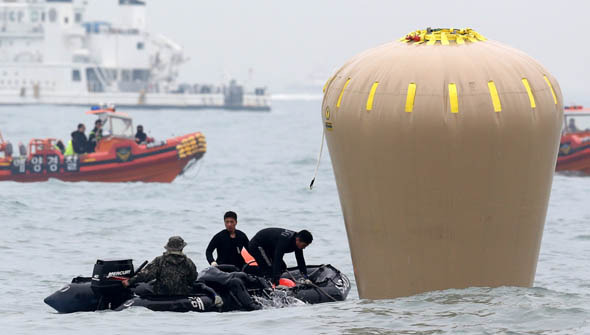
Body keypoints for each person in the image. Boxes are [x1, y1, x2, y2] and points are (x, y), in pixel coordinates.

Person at [122, 236, 197, 296]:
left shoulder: (160, 260)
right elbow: (193, 278)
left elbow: (146, 275)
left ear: (168, 247)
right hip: (181, 294)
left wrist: (129, 282)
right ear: (182, 248)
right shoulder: (188, 262)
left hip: (161, 294)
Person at [248, 228, 313, 286]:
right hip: (257, 246)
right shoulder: (285, 241)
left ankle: (268, 280)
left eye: (306, 246)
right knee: (269, 269)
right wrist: (275, 276)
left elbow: (300, 260)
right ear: (298, 239)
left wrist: (305, 277)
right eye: (304, 245)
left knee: (282, 267)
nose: (304, 248)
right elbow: (277, 258)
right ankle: (254, 277)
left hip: (269, 248)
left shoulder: (298, 242)